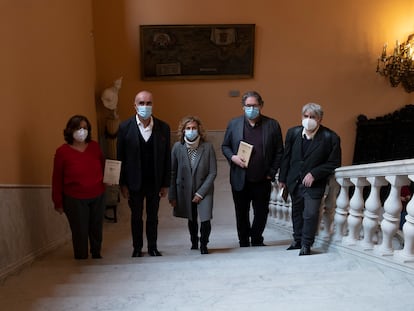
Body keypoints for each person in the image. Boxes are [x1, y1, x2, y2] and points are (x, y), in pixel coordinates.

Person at [222, 91, 284, 247]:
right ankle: (243, 240)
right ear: (243, 107)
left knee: (261, 213)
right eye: (248, 106)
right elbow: (225, 146)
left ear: (261, 105)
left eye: (254, 105)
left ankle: (256, 239)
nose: (251, 108)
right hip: (240, 177)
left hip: (263, 178)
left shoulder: (272, 124)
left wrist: (271, 172)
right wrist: (233, 157)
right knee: (241, 213)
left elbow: (279, 151)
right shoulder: (234, 123)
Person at [278, 103, 341, 256]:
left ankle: (306, 244)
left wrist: (314, 173)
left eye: (312, 117)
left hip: (314, 183)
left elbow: (334, 162)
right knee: (296, 212)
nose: (308, 120)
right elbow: (286, 158)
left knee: (311, 213)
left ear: (320, 119)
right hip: (294, 181)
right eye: (305, 116)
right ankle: (297, 240)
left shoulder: (330, 137)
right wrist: (282, 178)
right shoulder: (293, 133)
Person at [117, 90, 171, 257]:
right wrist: (123, 184)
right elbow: (121, 157)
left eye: (148, 103)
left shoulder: (163, 127)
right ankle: (137, 248)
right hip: (134, 182)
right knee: (136, 217)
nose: (145, 106)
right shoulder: (124, 128)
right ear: (135, 105)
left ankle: (153, 247)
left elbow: (167, 158)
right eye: (142, 103)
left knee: (153, 216)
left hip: (154, 181)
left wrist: (165, 183)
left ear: (153, 105)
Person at [52, 115, 106, 260]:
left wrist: (110, 179)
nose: (82, 131)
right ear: (70, 130)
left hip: (97, 193)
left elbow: (104, 166)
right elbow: (57, 178)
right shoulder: (62, 152)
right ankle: (81, 256)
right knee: (79, 230)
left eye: (85, 128)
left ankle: (96, 252)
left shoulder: (94, 147)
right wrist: (57, 201)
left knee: (96, 227)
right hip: (74, 197)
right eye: (78, 128)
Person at [169, 116, 217, 254]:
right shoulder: (178, 147)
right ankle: (194, 241)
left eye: (194, 128)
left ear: (199, 130)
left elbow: (212, 172)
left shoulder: (207, 147)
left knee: (205, 218)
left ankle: (204, 244)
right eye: (188, 128)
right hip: (184, 189)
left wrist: (200, 193)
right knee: (191, 218)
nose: (191, 131)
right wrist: (172, 195)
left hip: (204, 190)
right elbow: (172, 172)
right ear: (183, 131)